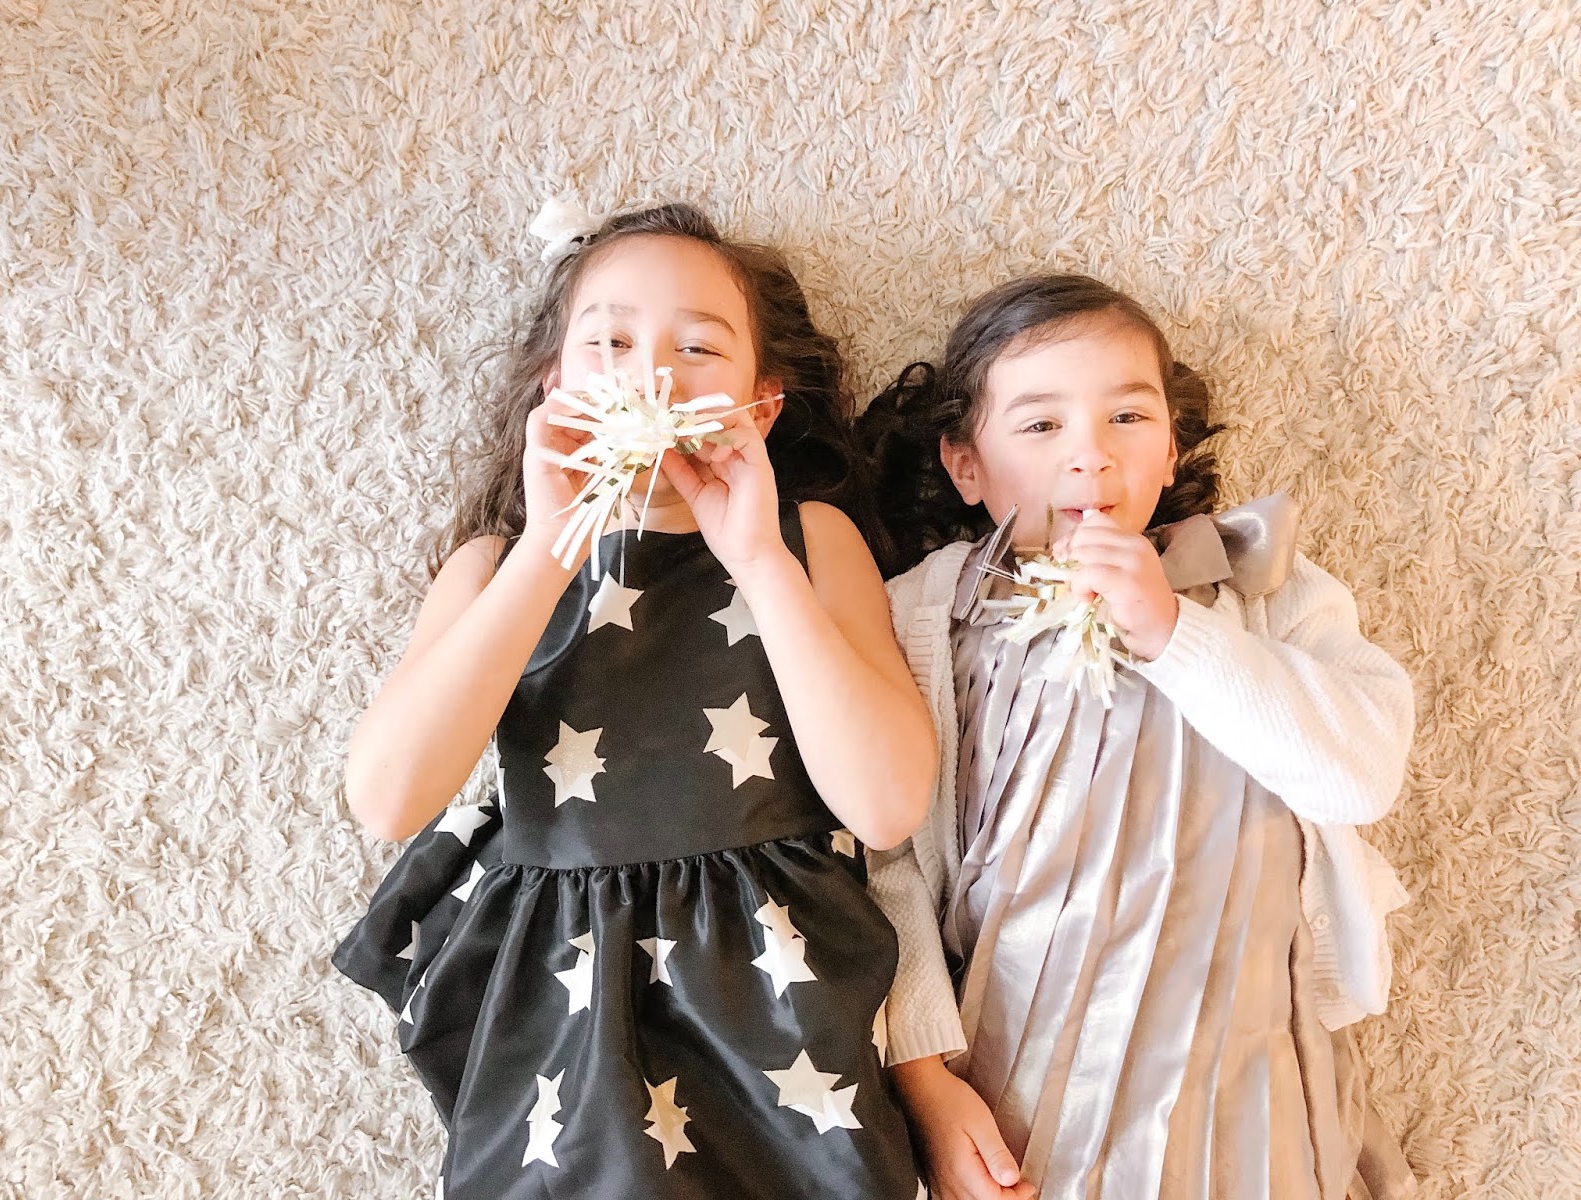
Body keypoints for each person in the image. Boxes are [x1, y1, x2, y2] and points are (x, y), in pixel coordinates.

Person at [334, 201, 934, 1199]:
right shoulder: (495, 566)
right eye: (610, 342)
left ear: (762, 408)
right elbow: (388, 799)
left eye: (698, 348)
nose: (652, 373)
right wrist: (548, 544)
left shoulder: (807, 542)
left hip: (774, 999)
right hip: (563, 1002)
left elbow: (887, 805)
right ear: (553, 388)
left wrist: (756, 557)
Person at [858, 273, 1418, 1200]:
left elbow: (1362, 772)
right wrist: (922, 1079)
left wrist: (1173, 632)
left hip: (1244, 1066)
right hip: (1018, 1075)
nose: (1091, 456)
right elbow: (883, 866)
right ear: (966, 466)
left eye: (1127, 417)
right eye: (1042, 425)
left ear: (1170, 450)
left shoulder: (1259, 586)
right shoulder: (923, 613)